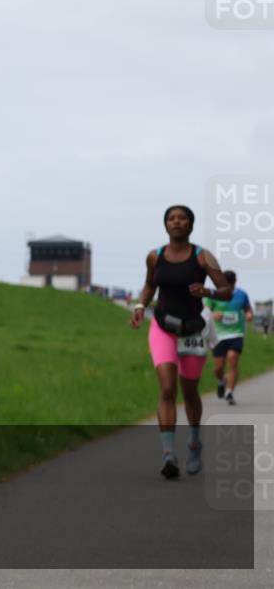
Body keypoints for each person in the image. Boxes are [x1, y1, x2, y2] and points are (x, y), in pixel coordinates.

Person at [130, 205, 231, 479]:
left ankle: (195, 443)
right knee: (166, 389)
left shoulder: (202, 256)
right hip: (163, 326)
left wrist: (207, 289)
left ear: (190, 225)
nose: (176, 222)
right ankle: (168, 455)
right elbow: (150, 284)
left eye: (182, 218)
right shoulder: (155, 256)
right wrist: (141, 305)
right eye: (171, 218)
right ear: (166, 225)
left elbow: (226, 290)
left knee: (189, 391)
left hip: (193, 330)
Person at [205, 271, 253, 405]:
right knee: (218, 368)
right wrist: (214, 314)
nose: (229, 288)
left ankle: (229, 392)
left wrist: (249, 315)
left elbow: (248, 309)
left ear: (234, 282)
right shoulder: (214, 294)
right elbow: (205, 311)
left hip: (236, 333)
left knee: (233, 360)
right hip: (218, 335)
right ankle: (222, 381)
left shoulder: (241, 295)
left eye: (231, 285)